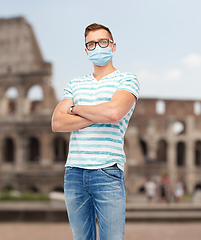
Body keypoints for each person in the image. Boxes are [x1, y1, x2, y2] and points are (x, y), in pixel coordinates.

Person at [51, 23, 140, 240]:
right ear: (86, 50)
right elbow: (57, 123)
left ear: (113, 46)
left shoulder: (127, 79)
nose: (97, 47)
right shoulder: (75, 83)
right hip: (74, 172)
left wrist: (75, 109)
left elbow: (113, 112)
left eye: (102, 42)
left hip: (107, 170)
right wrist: (97, 113)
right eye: (91, 44)